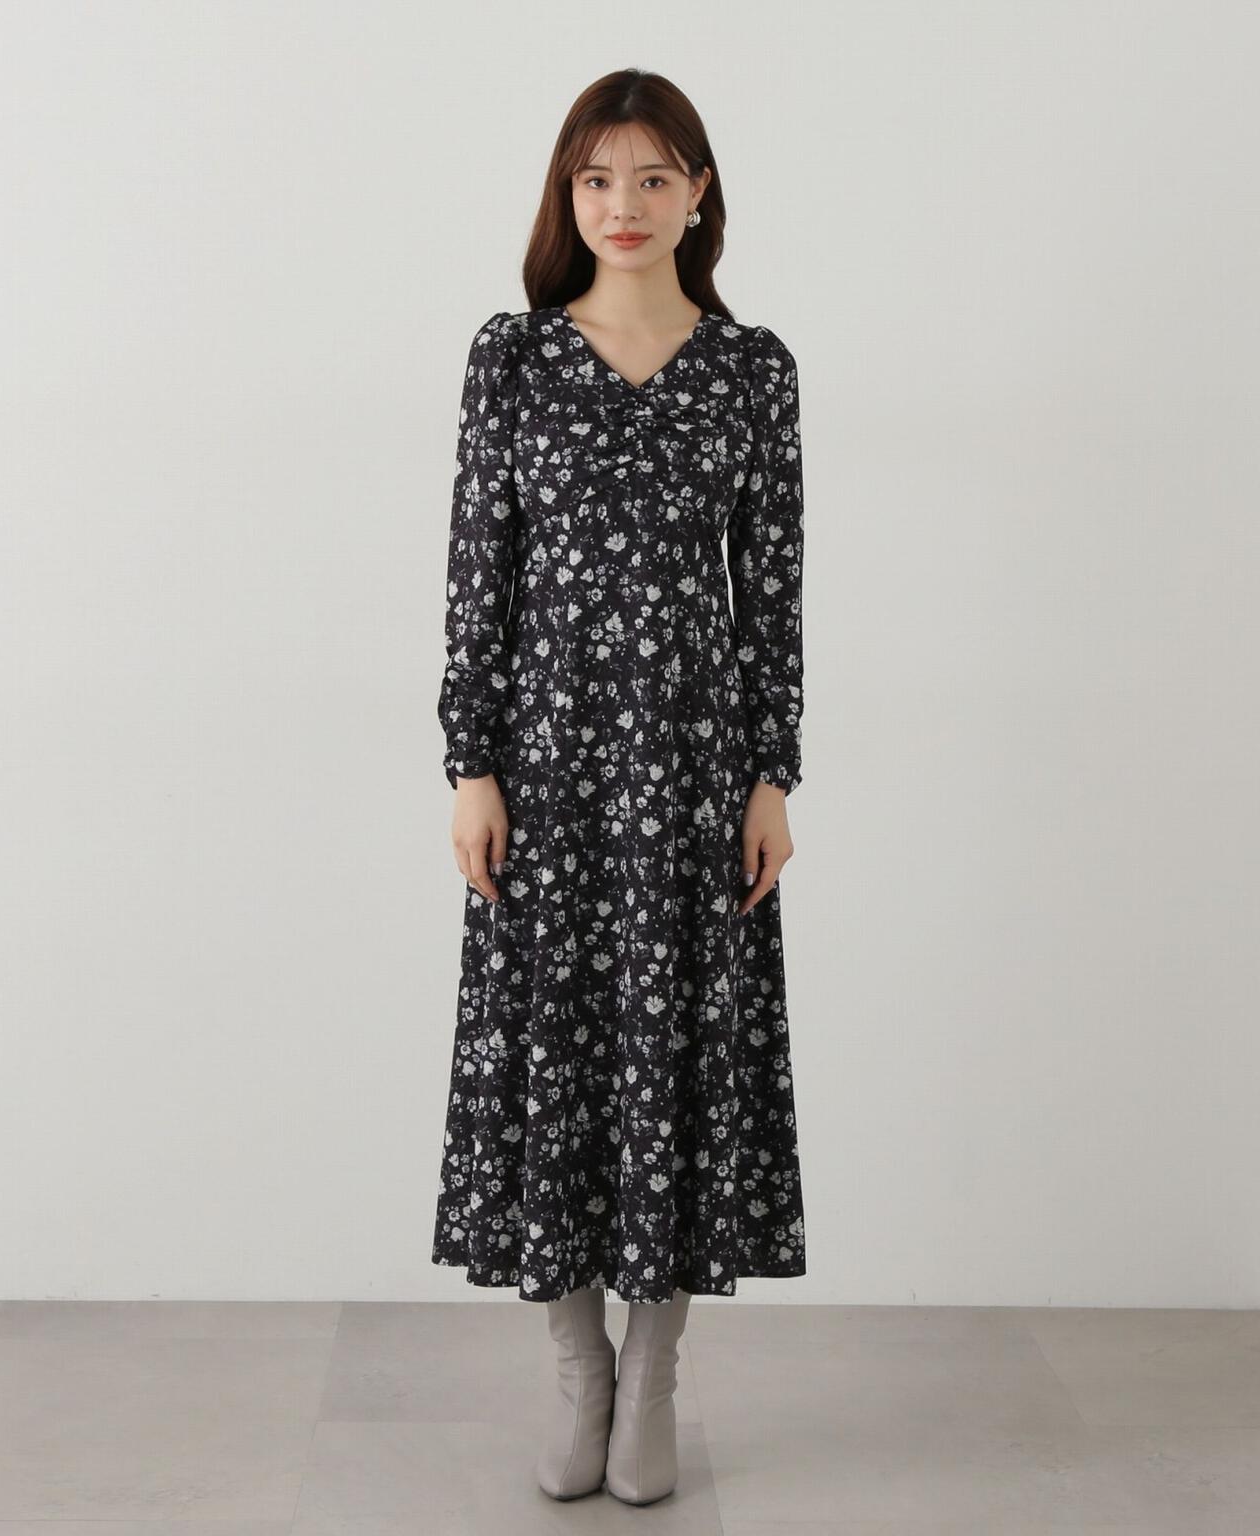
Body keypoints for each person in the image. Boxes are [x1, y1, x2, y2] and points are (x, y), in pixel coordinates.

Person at [430, 67, 808, 1506]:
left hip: (696, 777)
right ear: (567, 195)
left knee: (679, 1066)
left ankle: (653, 1375)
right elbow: (478, 576)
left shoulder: (753, 368)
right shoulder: (513, 359)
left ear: (698, 192)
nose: (625, 205)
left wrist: (772, 774)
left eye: (654, 177)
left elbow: (771, 592)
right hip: (549, 774)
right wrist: (471, 764)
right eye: (598, 179)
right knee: (557, 1063)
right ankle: (577, 1369)